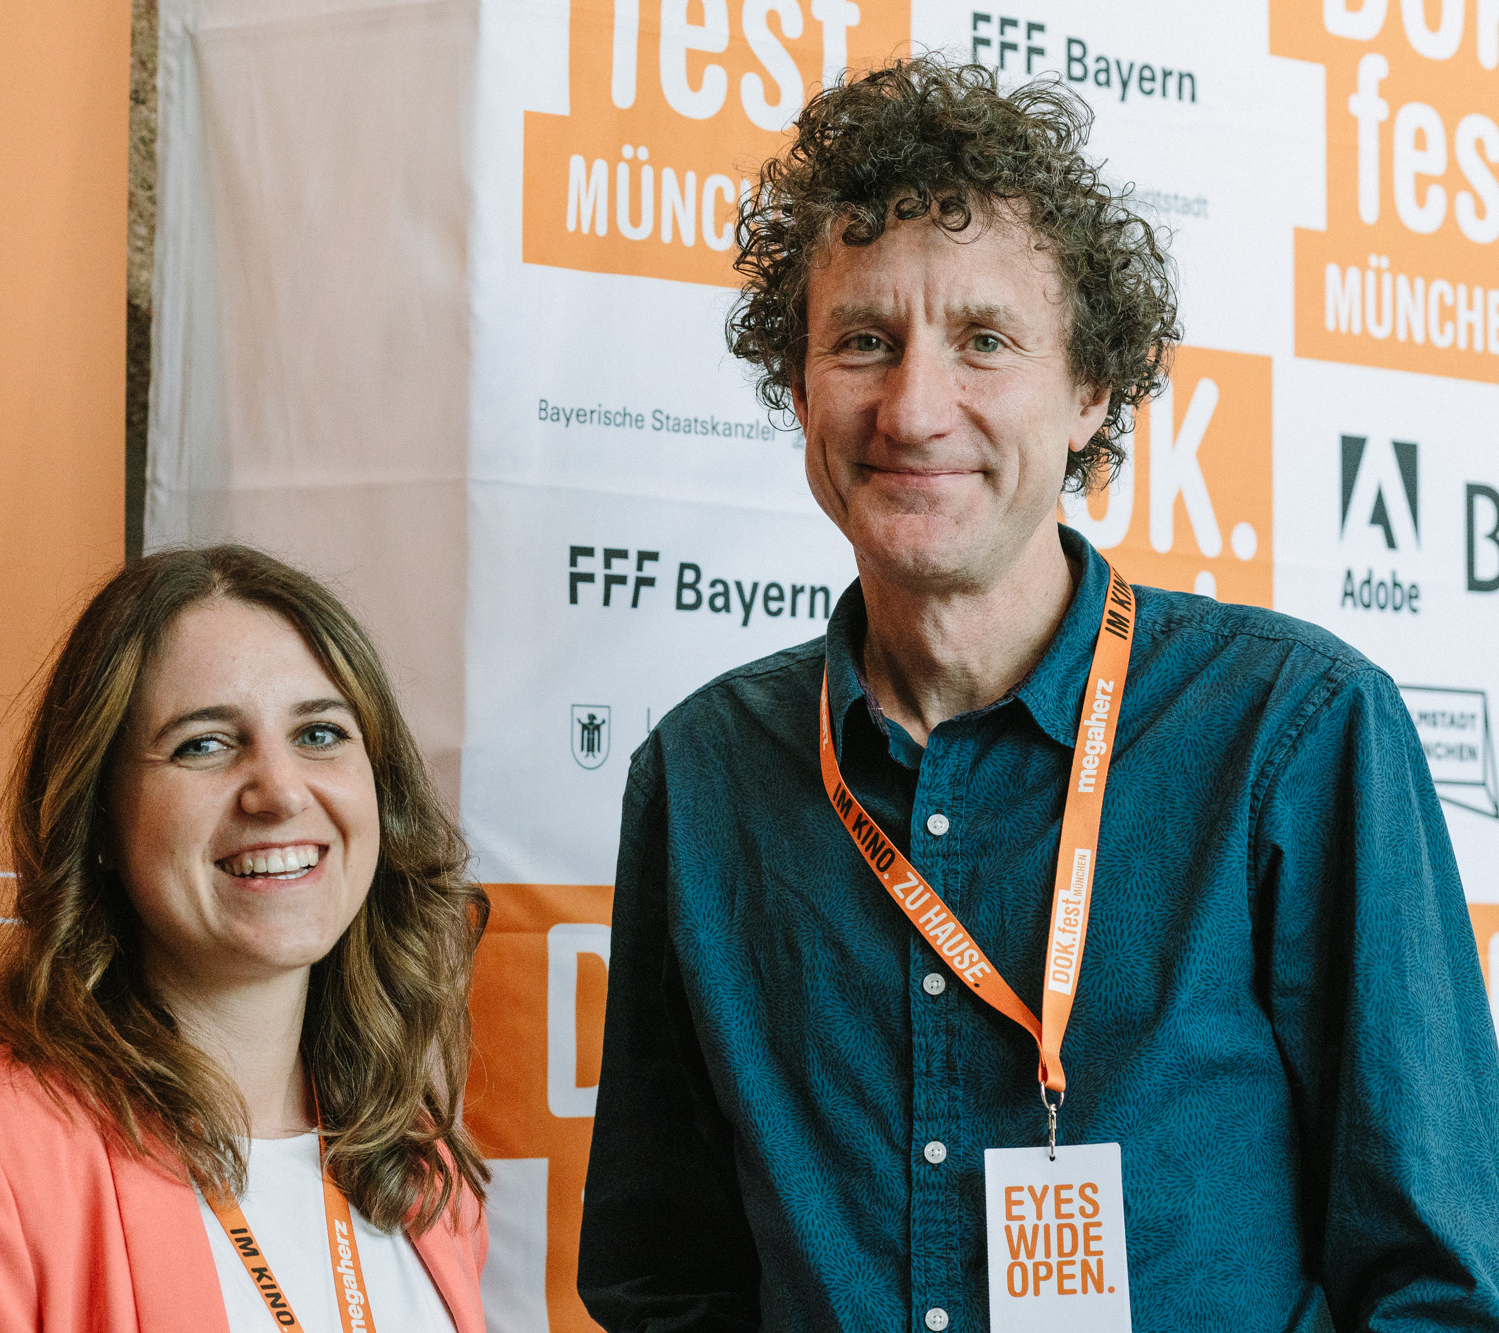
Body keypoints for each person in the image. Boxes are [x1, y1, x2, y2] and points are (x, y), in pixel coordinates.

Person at [579, 56, 1499, 1332]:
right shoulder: (701, 774)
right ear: (797, 391)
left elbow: (1438, 1289)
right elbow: (663, 1281)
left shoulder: (1293, 731)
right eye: (862, 342)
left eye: (984, 342)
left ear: (1088, 393)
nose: (913, 409)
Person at [0, 545, 490, 1332]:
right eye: (205, 743)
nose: (279, 790)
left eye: (319, 732)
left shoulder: (419, 1167)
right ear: (100, 817)